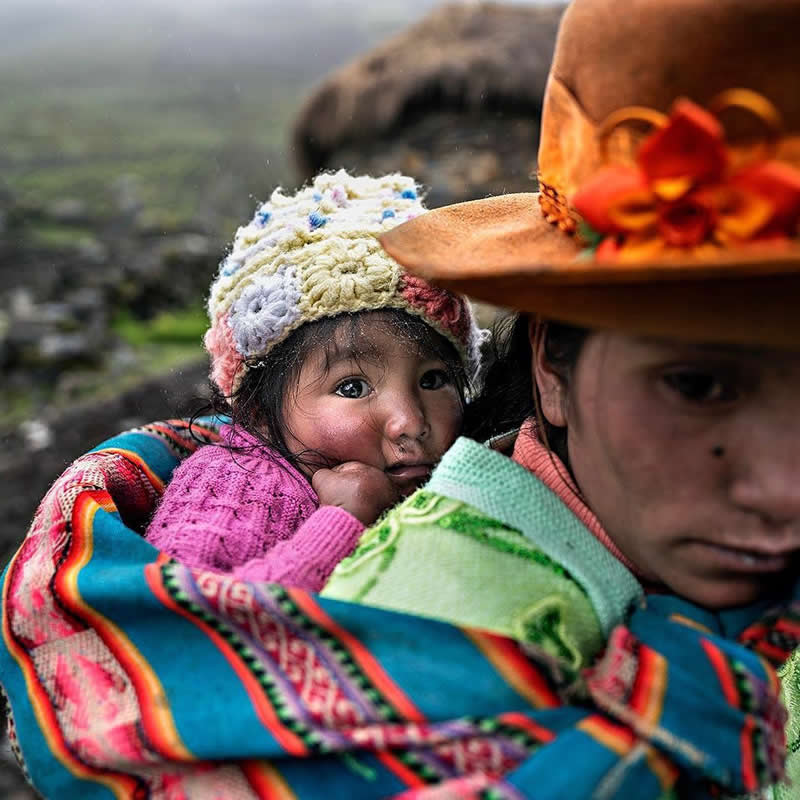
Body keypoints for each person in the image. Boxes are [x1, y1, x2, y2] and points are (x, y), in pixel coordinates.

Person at [2, 1, 800, 798]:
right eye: (696, 385)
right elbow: (203, 638)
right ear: (551, 364)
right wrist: (337, 523)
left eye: (435, 380)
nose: (784, 490)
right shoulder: (281, 513)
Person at [145, 170, 483, 592]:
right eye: (352, 388)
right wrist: (341, 521)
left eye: (432, 380)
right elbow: (182, 613)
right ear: (257, 412)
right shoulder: (240, 482)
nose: (410, 423)